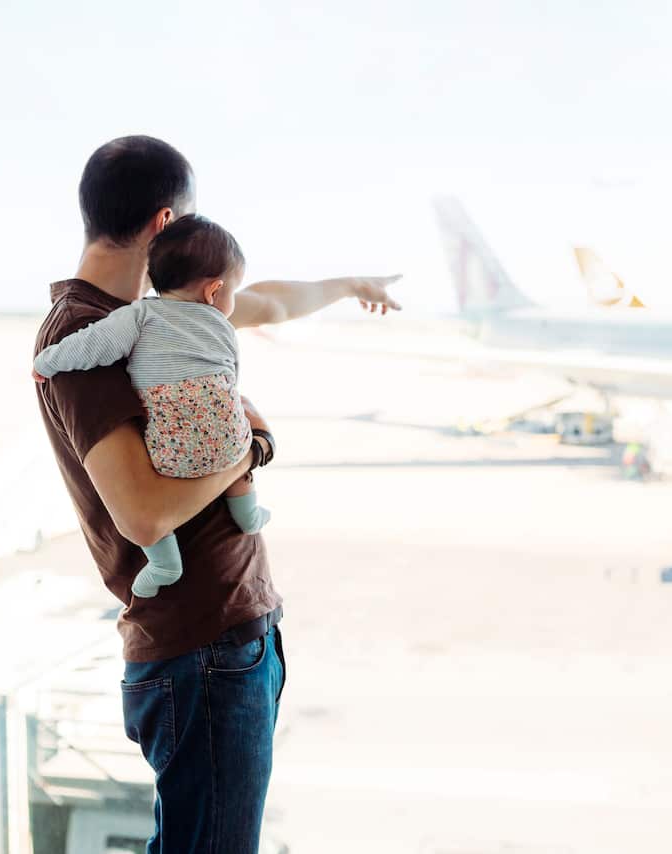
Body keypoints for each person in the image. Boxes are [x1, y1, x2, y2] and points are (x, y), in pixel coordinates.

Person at [33, 135, 400, 853]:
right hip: (199, 648)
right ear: (167, 225)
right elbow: (143, 512)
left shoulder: (164, 311)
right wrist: (248, 442)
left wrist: (352, 283)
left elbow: (268, 301)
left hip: (227, 641)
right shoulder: (88, 334)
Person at [34, 214, 272, 599]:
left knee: (175, 467)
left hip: (169, 454)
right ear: (214, 292)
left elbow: (95, 346)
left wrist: (46, 362)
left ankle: (163, 563)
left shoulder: (139, 316)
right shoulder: (222, 326)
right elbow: (231, 379)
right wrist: (251, 438)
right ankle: (248, 515)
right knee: (230, 433)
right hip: (232, 442)